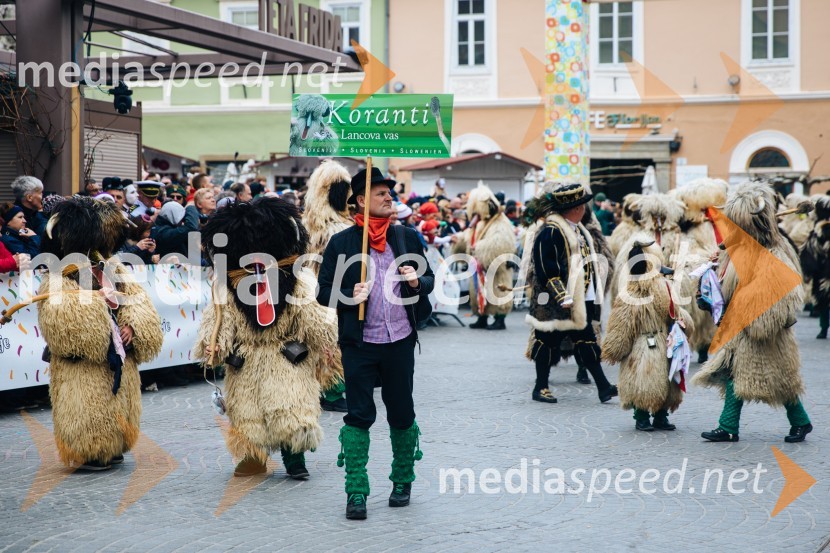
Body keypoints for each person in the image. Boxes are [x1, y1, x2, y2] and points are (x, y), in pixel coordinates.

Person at [194, 197, 343, 480]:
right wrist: (214, 344)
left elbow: (313, 314)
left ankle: (294, 456)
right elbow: (219, 320)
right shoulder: (229, 283)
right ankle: (253, 458)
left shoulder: (298, 279)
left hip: (286, 354)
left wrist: (323, 334)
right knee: (247, 413)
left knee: (290, 408)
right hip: (247, 358)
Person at [317, 167, 434, 520]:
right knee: (359, 414)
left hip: (399, 340)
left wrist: (417, 282)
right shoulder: (342, 243)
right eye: (381, 193)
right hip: (360, 343)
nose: (389, 197)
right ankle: (356, 491)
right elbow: (323, 291)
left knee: (400, 411)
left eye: (390, 192)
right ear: (362, 201)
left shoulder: (407, 237)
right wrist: (349, 296)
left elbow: (429, 279)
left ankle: (402, 479)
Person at [37, 196, 163, 470]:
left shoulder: (113, 267)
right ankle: (90, 450)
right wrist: (98, 302)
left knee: (118, 403)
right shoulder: (59, 276)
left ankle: (115, 444)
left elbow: (138, 299)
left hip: (119, 354)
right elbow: (60, 318)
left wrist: (132, 326)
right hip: (85, 365)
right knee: (88, 406)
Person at [693, 182, 813, 443]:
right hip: (743, 330)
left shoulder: (776, 253)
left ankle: (800, 421)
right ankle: (728, 427)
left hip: (766, 332)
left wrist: (756, 319)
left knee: (782, 380)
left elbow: (783, 296)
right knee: (736, 374)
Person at [523, 183, 618, 404]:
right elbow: (546, 268)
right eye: (583, 205)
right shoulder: (551, 231)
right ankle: (540, 387)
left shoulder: (577, 229)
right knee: (546, 342)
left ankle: (603, 387)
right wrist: (562, 295)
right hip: (555, 301)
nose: (585, 209)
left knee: (586, 341)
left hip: (578, 299)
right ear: (575, 209)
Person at [602, 237, 693, 431]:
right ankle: (646, 416)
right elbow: (676, 312)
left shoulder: (631, 294)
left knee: (648, 380)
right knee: (658, 379)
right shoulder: (663, 288)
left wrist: (614, 349)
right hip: (659, 341)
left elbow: (621, 325)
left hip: (646, 343)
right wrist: (686, 325)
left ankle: (654, 416)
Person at [453, 183, 516, 330]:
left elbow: (501, 242)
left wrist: (479, 248)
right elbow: (470, 237)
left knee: (499, 290)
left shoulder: (501, 222)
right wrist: (459, 240)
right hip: (479, 267)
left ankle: (500, 319)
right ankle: (482, 316)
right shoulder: (482, 223)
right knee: (478, 291)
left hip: (497, 268)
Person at [800, 195, 830, 339]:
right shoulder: (819, 230)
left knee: (823, 299)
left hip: (823, 272)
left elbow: (810, 252)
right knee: (823, 299)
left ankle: (823, 328)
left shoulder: (818, 231)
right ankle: (823, 327)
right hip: (824, 271)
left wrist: (809, 271)